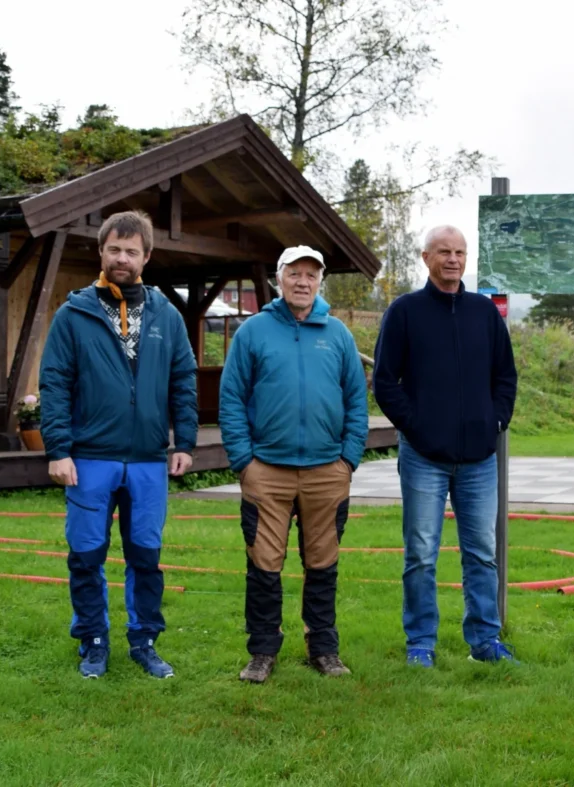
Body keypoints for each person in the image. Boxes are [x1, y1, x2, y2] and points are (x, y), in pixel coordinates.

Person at [40, 210, 197, 679]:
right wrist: (58, 449)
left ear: (147, 256)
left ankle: (144, 642)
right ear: (101, 252)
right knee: (86, 555)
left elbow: (183, 380)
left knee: (145, 556)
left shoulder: (166, 315)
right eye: (114, 249)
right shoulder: (74, 314)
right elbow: (54, 382)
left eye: (132, 251)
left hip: (148, 460)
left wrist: (184, 441)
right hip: (89, 458)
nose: (122, 258)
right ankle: (92, 641)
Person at [219, 246, 368, 684]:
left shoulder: (338, 335)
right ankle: (262, 650)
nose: (303, 282)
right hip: (266, 470)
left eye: (311, 274)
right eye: (294, 273)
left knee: (322, 563)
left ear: (321, 281)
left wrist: (348, 458)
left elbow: (357, 400)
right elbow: (231, 399)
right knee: (263, 564)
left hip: (328, 471)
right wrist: (244, 460)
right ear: (278, 280)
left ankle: (323, 648)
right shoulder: (254, 332)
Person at [372, 225, 518, 668]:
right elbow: (384, 382)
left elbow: (505, 377)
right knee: (420, 554)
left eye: (459, 252)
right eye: (444, 252)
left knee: (481, 554)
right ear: (425, 257)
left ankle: (485, 641)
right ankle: (421, 642)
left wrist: (495, 419)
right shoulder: (404, 312)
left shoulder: (484, 313)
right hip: (423, 458)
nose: (453, 259)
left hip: (478, 458)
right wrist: (416, 427)